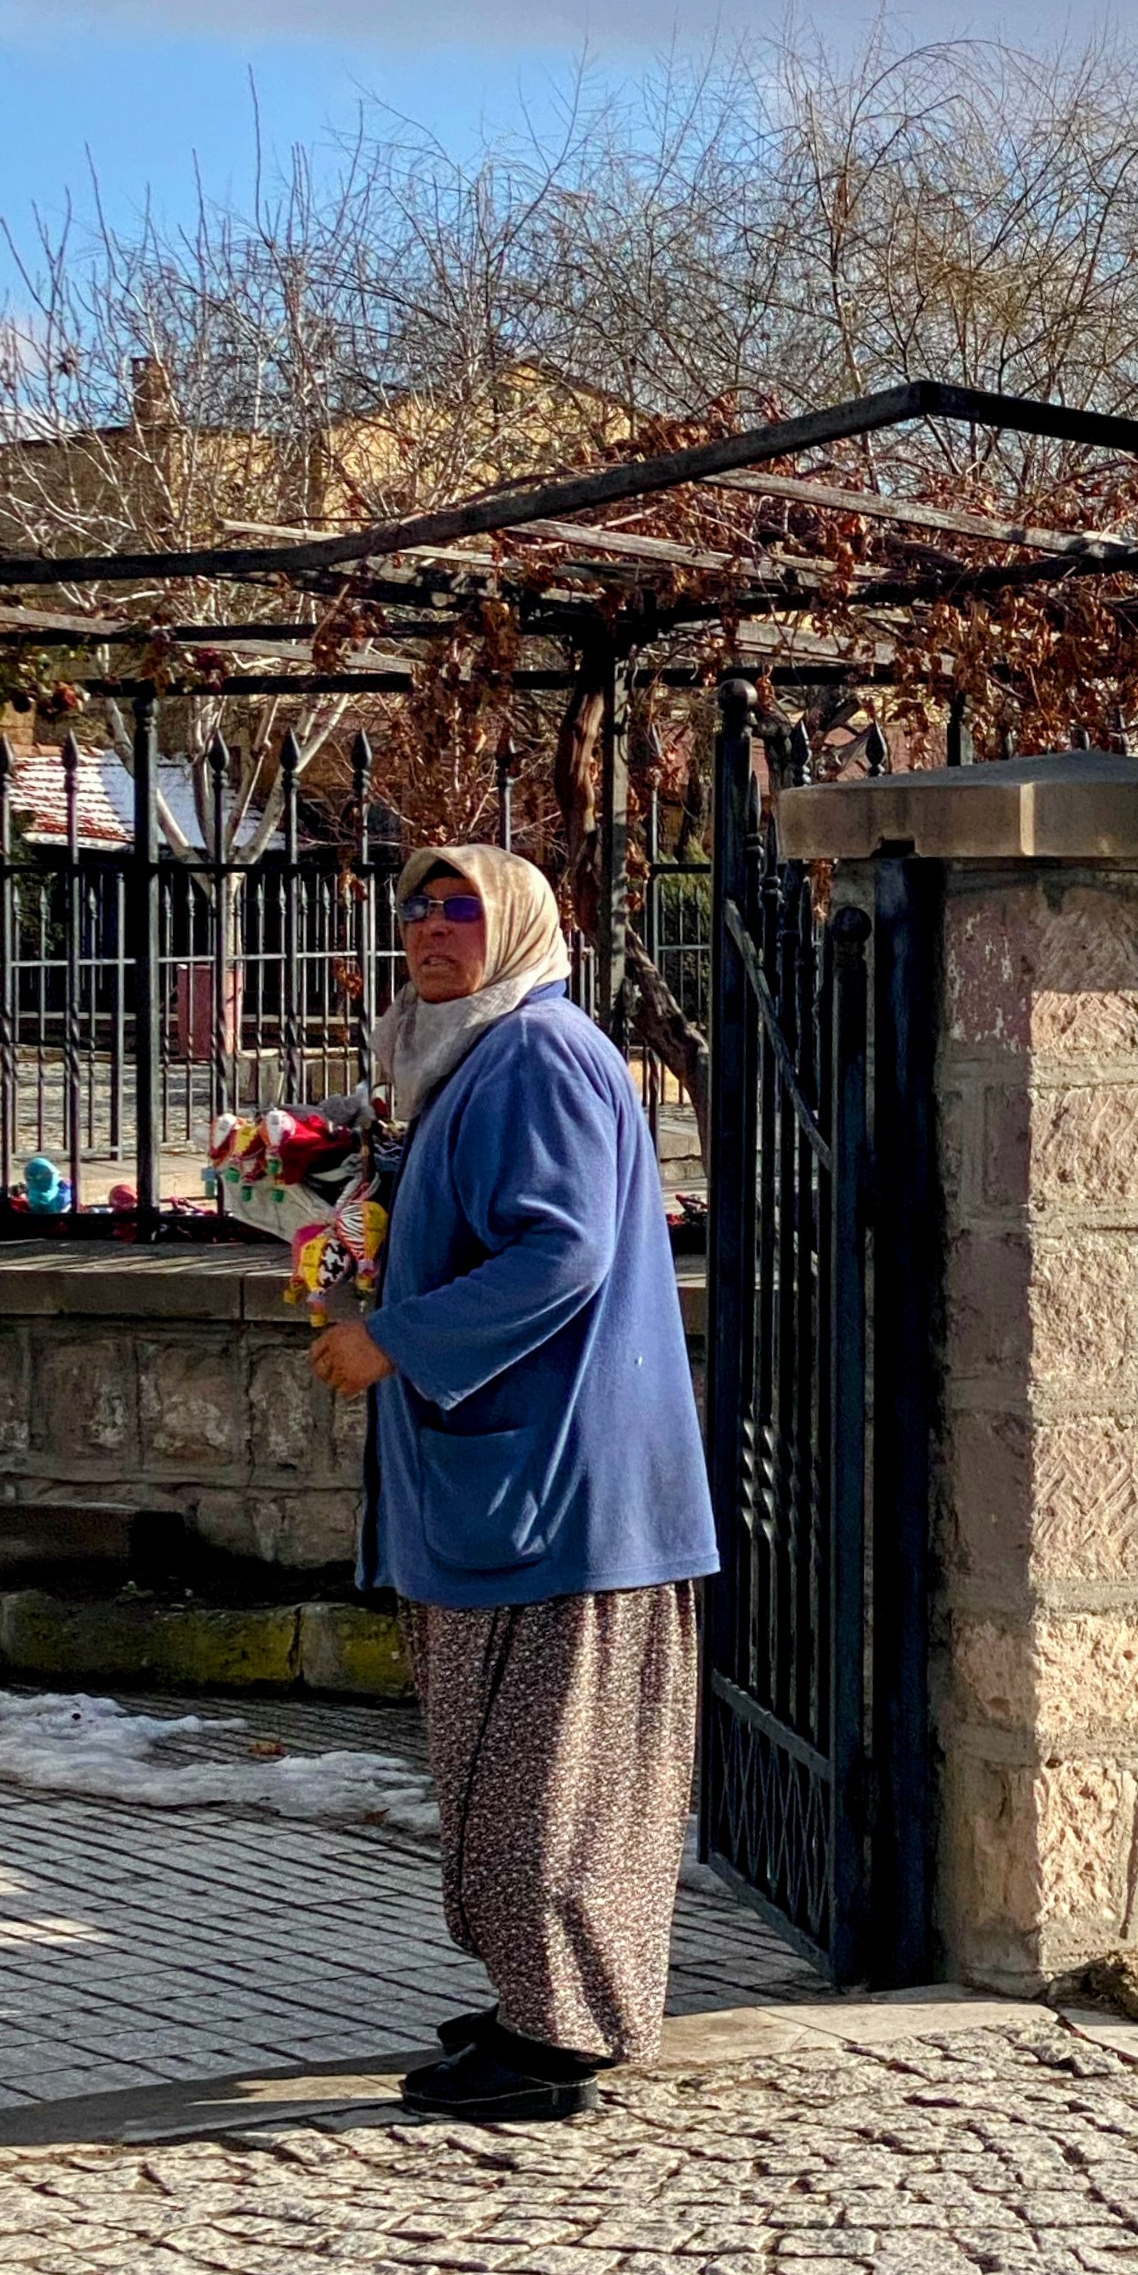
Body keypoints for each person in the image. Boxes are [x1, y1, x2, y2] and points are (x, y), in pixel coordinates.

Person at [304, 841, 717, 2126]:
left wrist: (396, 1339)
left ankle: (557, 2042)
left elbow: (566, 1251)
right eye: (418, 907)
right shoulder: (467, 1055)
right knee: (500, 1768)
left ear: (522, 926)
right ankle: (547, 2002)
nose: (433, 927)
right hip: (505, 1486)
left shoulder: (540, 1052)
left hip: (565, 1493)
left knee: (553, 1781)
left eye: (463, 906)